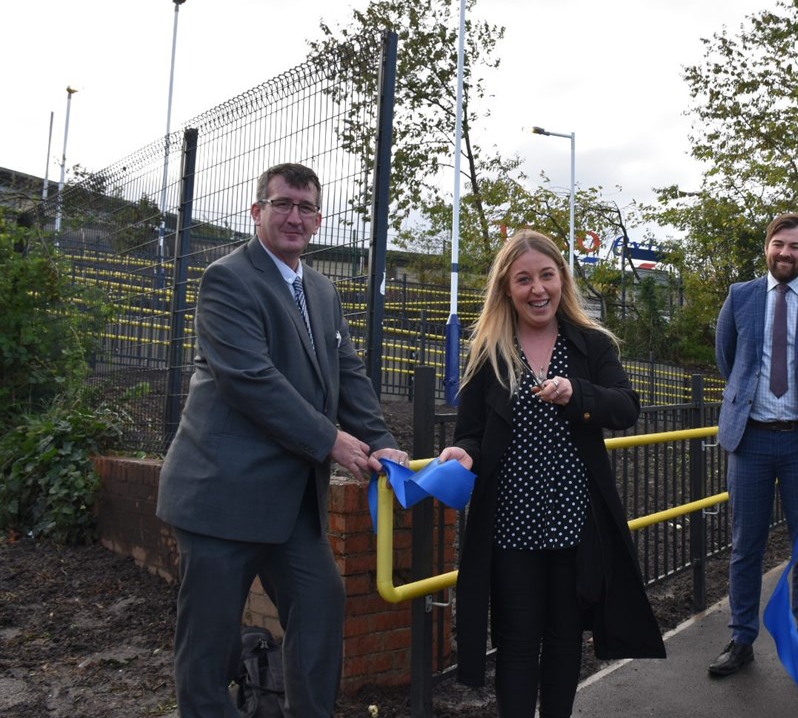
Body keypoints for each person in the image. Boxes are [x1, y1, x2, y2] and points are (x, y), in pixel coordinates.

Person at [157, 162, 406, 718]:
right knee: (208, 649)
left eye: (307, 207)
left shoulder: (321, 290)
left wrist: (380, 440)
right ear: (257, 212)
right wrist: (333, 442)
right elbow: (251, 380)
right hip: (221, 497)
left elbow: (350, 375)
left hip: (291, 504)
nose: (295, 216)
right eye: (283, 204)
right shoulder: (227, 279)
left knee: (321, 605)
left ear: (319, 220)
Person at [437, 229, 665, 718]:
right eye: (524, 279)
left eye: (547, 275)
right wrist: (462, 453)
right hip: (510, 525)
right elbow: (471, 432)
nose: (537, 289)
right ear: (507, 288)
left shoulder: (591, 345)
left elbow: (626, 407)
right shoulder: (489, 351)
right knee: (518, 644)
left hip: (575, 522)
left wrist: (576, 395)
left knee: (564, 640)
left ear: (562, 278)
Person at [707, 213, 798, 680]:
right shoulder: (740, 296)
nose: (784, 253)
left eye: (795, 247)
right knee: (745, 546)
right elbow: (729, 360)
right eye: (777, 244)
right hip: (749, 441)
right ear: (767, 247)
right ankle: (741, 638)